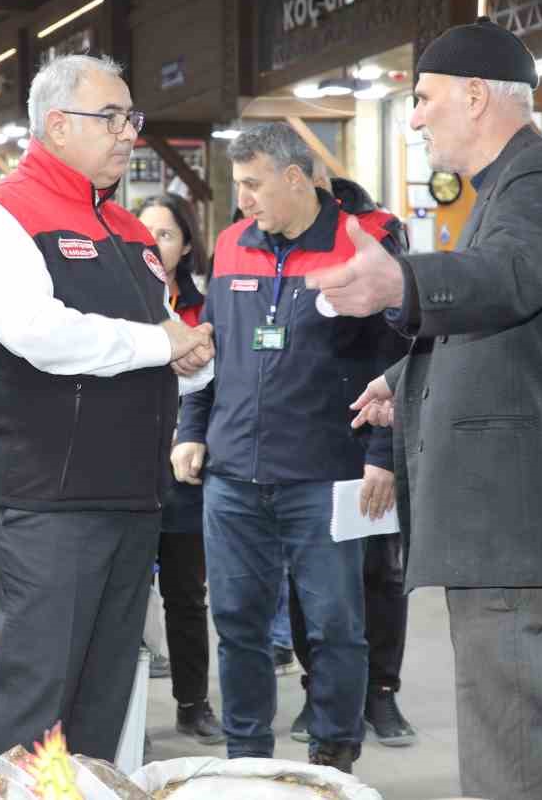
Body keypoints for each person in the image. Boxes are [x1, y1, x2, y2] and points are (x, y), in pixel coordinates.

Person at [311, 19, 542, 800]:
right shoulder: (513, 185)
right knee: (508, 752)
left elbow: (508, 277)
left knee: (519, 766)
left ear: (477, 96)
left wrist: (402, 282)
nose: (415, 117)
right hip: (511, 528)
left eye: (424, 98)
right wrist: (405, 378)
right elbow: (517, 332)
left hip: (520, 528)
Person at [0, 54, 214, 761]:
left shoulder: (129, 230)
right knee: (41, 712)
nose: (130, 132)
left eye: (132, 117)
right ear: (58, 125)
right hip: (47, 501)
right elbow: (36, 333)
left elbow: (155, 343)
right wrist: (158, 342)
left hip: (132, 496)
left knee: (102, 707)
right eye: (113, 117)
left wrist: (189, 359)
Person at [173, 122, 407, 773]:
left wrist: (382, 456)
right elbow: (209, 352)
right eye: (238, 185)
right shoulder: (231, 245)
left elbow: (397, 363)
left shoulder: (359, 246)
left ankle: (333, 759)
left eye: (253, 184)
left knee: (336, 628)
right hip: (232, 476)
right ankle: (247, 759)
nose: (243, 199)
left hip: (327, 475)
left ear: (295, 177)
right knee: (238, 625)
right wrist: (192, 430)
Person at [289, 173, 415, 748]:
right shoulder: (282, 248)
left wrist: (384, 452)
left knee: (381, 573)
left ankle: (381, 692)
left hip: (371, 436)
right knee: (307, 574)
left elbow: (402, 353)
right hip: (307, 447)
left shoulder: (380, 238)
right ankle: (318, 687)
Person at [136, 193, 221, 745]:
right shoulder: (120, 300)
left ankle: (193, 704)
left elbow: (215, 386)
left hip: (184, 474)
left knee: (186, 595)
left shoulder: (205, 308)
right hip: (125, 467)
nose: (153, 244)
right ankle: (123, 717)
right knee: (121, 597)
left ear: (186, 245)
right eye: (144, 234)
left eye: (165, 235)